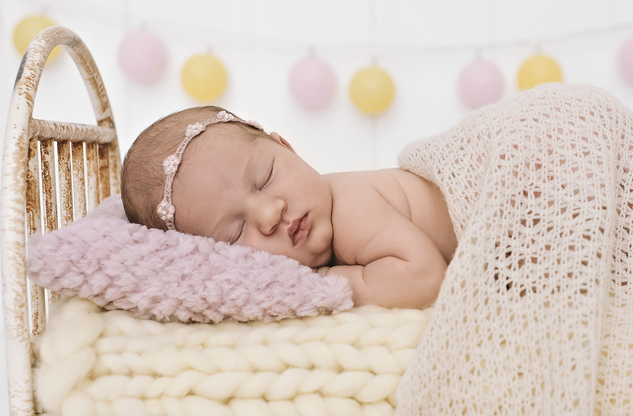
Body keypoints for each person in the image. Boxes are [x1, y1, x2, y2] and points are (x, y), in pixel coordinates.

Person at [121, 105, 456, 309]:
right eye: (235, 232)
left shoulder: (350, 207)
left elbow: (425, 279)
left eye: (265, 178)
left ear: (287, 147)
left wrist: (324, 279)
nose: (269, 215)